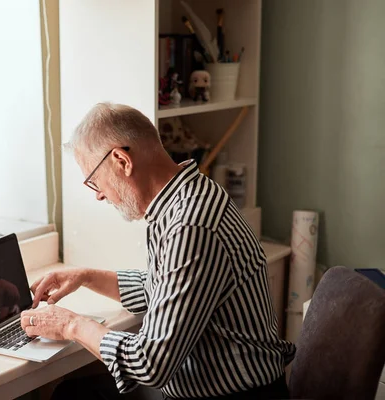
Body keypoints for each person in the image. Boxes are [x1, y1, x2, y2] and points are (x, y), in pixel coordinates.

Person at [20, 103, 296, 400]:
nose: (99, 194)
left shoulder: (190, 225)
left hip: (236, 395)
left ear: (121, 161)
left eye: (94, 182)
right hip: (214, 386)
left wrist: (70, 324)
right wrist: (85, 277)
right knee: (73, 392)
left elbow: (150, 363)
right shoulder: (188, 196)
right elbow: (164, 289)